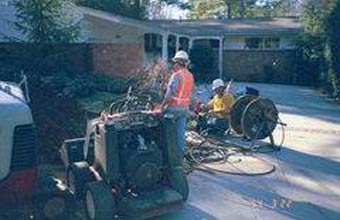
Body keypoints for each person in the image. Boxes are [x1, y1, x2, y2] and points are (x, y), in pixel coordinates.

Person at [159, 50, 194, 159]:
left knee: (164, 132)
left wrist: (161, 107)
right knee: (180, 135)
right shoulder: (190, 76)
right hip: (184, 110)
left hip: (172, 109)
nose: (173, 65)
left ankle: (166, 157)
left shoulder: (176, 76)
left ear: (178, 63)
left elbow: (168, 96)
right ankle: (179, 158)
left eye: (174, 63)